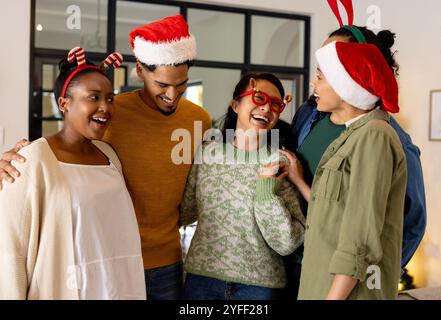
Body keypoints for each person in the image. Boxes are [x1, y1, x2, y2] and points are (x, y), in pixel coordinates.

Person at [0, 15, 212, 300]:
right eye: (162, 85)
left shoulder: (198, 119)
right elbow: (60, 155)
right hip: (106, 259)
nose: (172, 94)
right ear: (139, 70)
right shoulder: (110, 114)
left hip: (168, 263)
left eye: (182, 84)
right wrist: (12, 160)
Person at [283, 24, 427, 300]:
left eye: (321, 76)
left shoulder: (375, 136)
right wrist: (299, 181)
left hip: (343, 287)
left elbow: (360, 238)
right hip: (317, 273)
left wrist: (377, 277)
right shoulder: (342, 130)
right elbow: (334, 213)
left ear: (345, 82)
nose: (313, 84)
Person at [0, 47, 146, 300]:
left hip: (116, 287)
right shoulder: (32, 160)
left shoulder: (109, 155)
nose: (105, 107)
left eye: (110, 99)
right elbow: (12, 252)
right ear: (64, 103)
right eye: (93, 97)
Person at [179, 73, 306, 300]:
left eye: (275, 104)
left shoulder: (280, 162)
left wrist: (266, 190)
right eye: (259, 98)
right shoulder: (207, 153)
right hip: (202, 281)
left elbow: (286, 243)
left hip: (259, 288)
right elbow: (185, 213)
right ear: (236, 105)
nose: (267, 108)